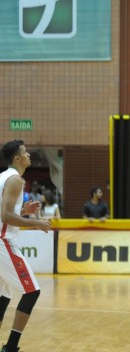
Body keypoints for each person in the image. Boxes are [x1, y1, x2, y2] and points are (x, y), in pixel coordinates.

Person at [0, 140, 52, 352]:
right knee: (32, 291)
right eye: (25, 152)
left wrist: (23, 212)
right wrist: (36, 223)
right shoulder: (15, 180)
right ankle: (11, 347)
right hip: (3, 241)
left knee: (4, 295)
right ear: (17, 158)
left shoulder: (3, 177)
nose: (29, 154)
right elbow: (5, 216)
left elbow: (4, 213)